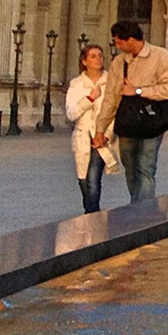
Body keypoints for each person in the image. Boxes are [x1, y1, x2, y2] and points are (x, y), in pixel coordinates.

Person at [94, 19, 168, 204]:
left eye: (119, 41)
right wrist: (100, 129)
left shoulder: (162, 57)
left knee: (146, 167)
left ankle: (142, 211)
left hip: (152, 122)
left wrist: (139, 91)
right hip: (128, 123)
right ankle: (137, 203)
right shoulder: (119, 63)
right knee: (130, 166)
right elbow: (110, 97)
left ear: (131, 39)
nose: (116, 45)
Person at [64, 43, 120, 214]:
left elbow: (116, 111)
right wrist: (89, 99)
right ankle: (91, 213)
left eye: (100, 56)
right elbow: (71, 114)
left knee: (93, 178)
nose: (98, 59)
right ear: (84, 61)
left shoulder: (111, 81)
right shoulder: (76, 84)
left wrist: (106, 135)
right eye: (93, 56)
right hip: (82, 137)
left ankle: (92, 216)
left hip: (102, 136)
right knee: (83, 180)